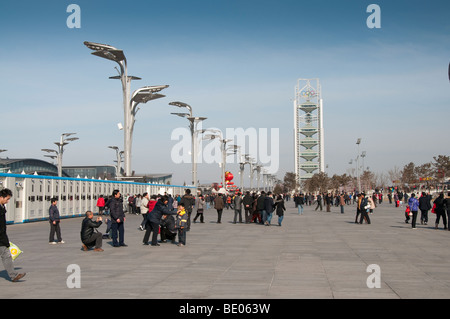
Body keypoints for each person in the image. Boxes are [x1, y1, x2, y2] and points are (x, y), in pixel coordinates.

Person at [0, 188, 26, 282]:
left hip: (1, 237)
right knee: (6, 255)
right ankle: (13, 275)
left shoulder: (2, 206)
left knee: (6, 255)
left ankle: (13, 275)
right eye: (7, 199)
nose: (8, 201)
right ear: (1, 197)